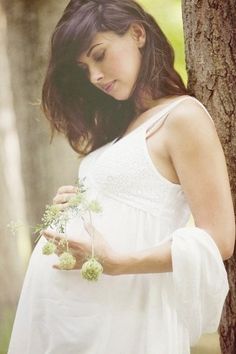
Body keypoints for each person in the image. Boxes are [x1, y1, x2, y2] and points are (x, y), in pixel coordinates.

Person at [8, 1, 235, 353]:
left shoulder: (182, 117)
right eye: (84, 68)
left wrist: (117, 263)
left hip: (123, 317)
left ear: (137, 33)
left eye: (99, 55)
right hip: (67, 320)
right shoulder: (121, 127)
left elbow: (219, 237)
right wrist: (76, 206)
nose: (94, 76)